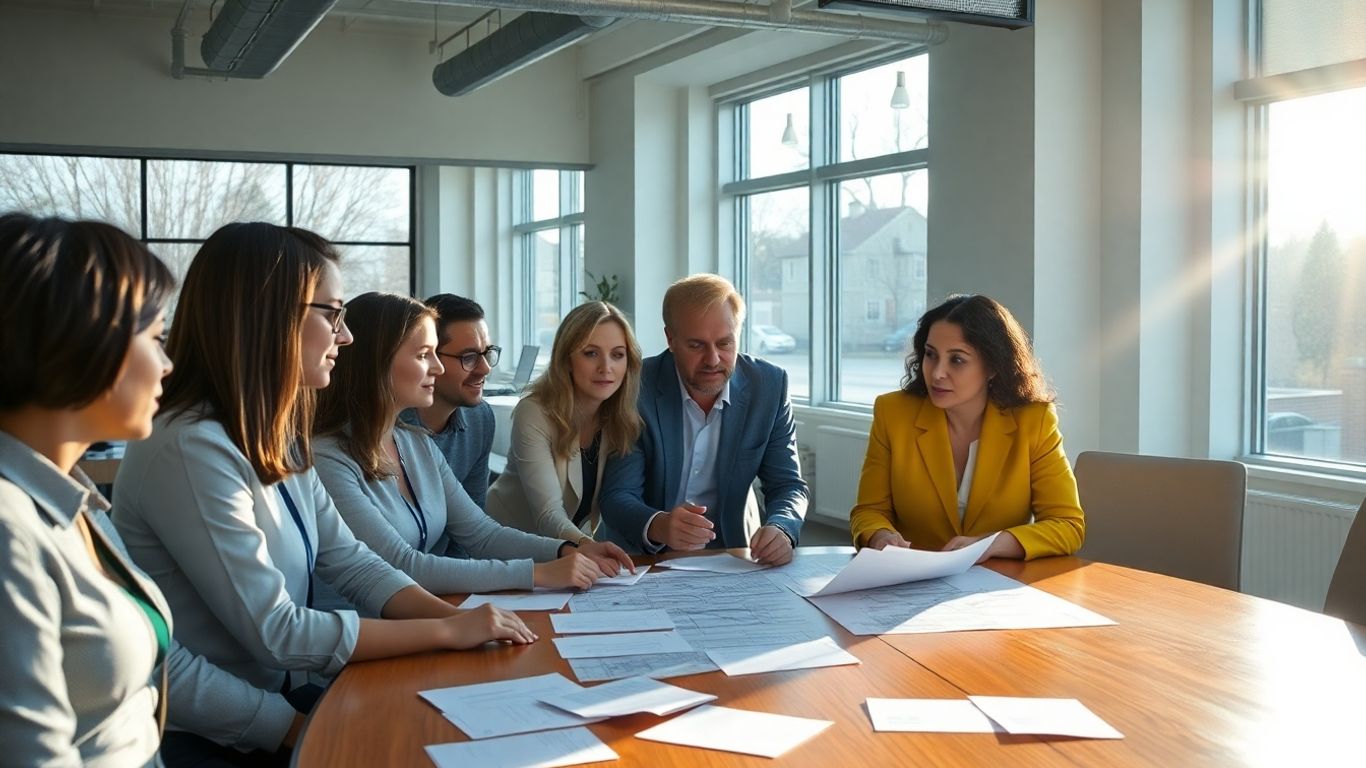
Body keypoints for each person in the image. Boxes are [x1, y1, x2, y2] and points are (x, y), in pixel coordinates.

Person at [112, 223, 536, 729]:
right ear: (268, 316)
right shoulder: (191, 445)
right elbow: (279, 632)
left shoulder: (279, 432)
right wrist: (446, 633)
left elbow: (352, 562)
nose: (346, 335)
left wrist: (457, 622)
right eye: (332, 314)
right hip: (213, 729)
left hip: (279, 697)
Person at [0, 214, 298, 766]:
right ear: (81, 341)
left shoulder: (69, 500)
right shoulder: (10, 529)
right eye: (155, 339)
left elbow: (156, 664)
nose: (166, 364)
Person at [312, 292, 634, 597]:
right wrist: (537, 573)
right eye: (425, 355)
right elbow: (402, 564)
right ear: (376, 363)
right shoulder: (329, 457)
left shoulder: (414, 441)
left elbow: (481, 533)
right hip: (361, 636)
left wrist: (569, 549)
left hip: (421, 614)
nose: (436, 368)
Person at [848, 294, 1085, 560]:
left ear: (993, 367)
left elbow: (1067, 525)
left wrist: (990, 544)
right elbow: (869, 510)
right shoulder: (893, 413)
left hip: (995, 585)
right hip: (911, 581)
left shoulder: (1034, 421)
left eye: (957, 360)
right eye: (930, 355)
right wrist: (880, 535)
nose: (937, 373)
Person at [598, 274, 808, 564]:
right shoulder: (637, 387)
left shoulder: (769, 386)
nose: (713, 360)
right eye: (697, 346)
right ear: (670, 339)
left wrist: (782, 528)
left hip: (733, 554)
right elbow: (617, 495)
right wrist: (659, 525)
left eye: (725, 344)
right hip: (643, 558)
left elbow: (788, 485)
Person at [485, 301, 644, 541]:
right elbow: (548, 512)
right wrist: (589, 548)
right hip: (507, 546)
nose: (606, 367)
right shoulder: (534, 411)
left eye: (618, 355)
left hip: (566, 552)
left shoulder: (621, 416)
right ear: (567, 359)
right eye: (591, 353)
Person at [399, 294, 497, 510]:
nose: (485, 369)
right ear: (428, 356)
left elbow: (476, 521)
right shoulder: (390, 426)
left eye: (487, 353)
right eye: (468, 357)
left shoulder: (481, 417)